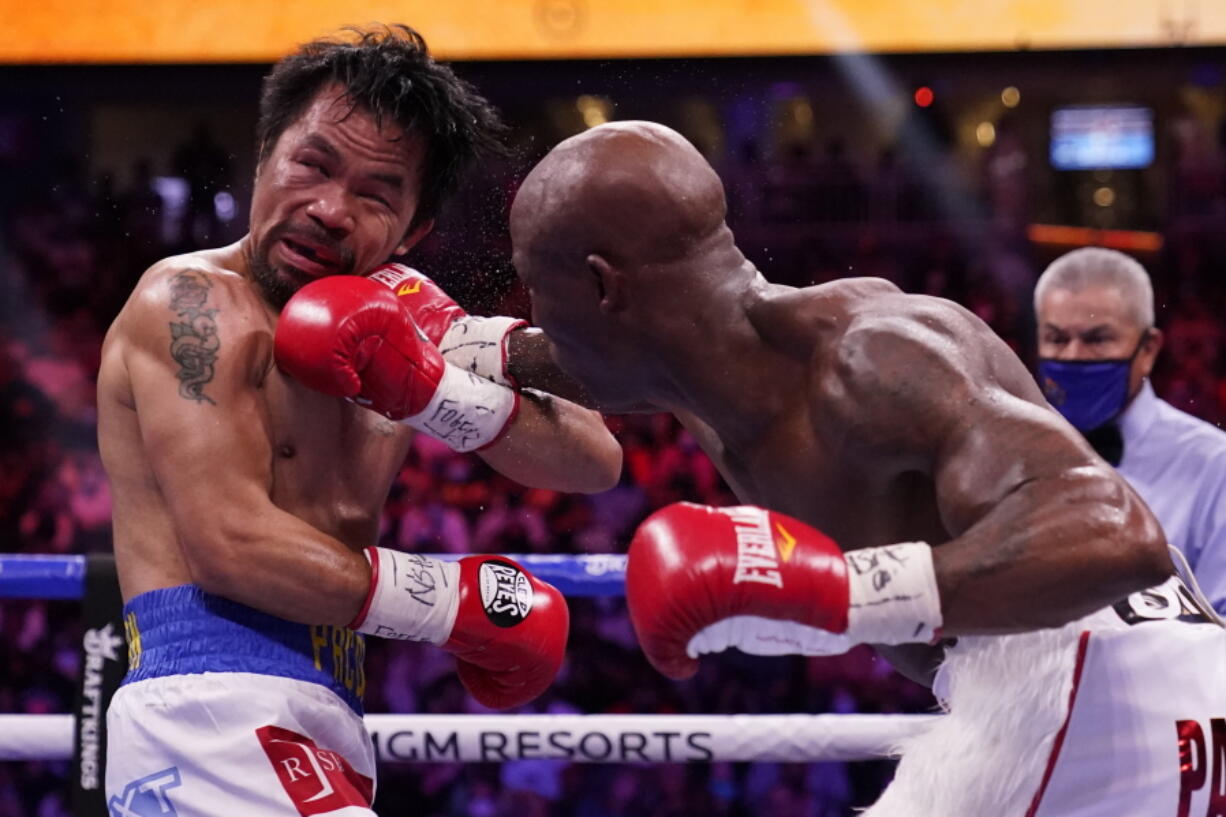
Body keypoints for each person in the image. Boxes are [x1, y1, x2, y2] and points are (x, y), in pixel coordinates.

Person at [509, 121, 1226, 816]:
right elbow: (585, 363)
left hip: (1089, 680)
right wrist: (461, 353)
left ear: (604, 286)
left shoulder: (874, 358)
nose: (532, 310)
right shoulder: (705, 373)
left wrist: (838, 591)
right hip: (1136, 692)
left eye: (535, 286)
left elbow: (1119, 533)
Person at [96, 25, 621, 816]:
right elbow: (229, 544)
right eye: (312, 165)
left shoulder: (399, 314)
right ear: (266, 154)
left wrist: (431, 390)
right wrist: (450, 603)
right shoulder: (189, 303)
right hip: (207, 706)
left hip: (325, 703)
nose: (330, 209)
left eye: (376, 194)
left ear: (411, 231)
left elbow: (593, 456)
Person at [1035, 246, 1226, 613]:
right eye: (1057, 339)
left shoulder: (1214, 466)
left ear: (1149, 349)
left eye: (1097, 339)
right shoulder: (1012, 452)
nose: (1073, 356)